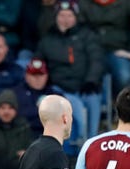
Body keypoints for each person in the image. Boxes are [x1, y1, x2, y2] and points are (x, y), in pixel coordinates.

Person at [36, 0, 105, 146]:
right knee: (75, 108)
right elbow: (39, 64)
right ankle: (78, 143)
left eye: (69, 15)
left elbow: (96, 60)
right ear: (56, 17)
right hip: (60, 89)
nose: (65, 19)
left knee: (93, 101)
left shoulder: (87, 35)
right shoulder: (48, 39)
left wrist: (91, 80)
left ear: (76, 17)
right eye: (62, 15)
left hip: (86, 87)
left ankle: (91, 142)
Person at [78, 0, 130, 96]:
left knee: (123, 76)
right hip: (90, 51)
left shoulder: (127, 3)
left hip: (118, 50)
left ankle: (118, 103)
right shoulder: (84, 4)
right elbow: (76, 25)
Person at [12, 57, 57, 138]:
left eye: (41, 74)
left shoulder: (55, 95)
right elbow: (16, 117)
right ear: (26, 76)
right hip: (22, 136)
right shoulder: (15, 93)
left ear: (47, 76)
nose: (37, 78)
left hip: (49, 138)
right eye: (33, 75)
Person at [0, 89, 33, 159]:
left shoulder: (24, 126)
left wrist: (27, 154)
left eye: (10, 108)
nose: (6, 112)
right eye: (2, 108)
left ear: (16, 110)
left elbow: (30, 147)